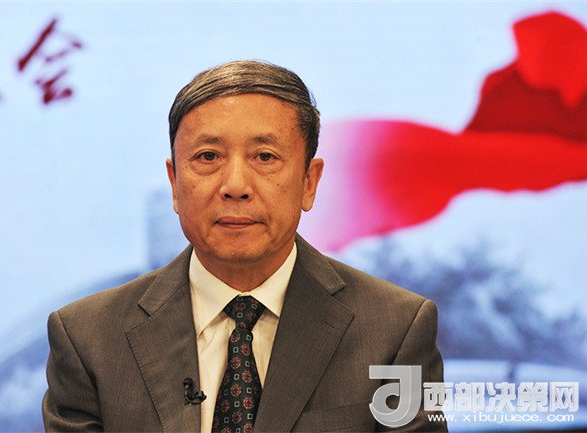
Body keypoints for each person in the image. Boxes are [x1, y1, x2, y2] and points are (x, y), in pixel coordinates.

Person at [42, 60, 448, 432]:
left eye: (265, 157)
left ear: (309, 183)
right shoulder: (88, 340)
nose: (235, 185)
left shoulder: (395, 331)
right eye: (208, 156)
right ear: (175, 184)